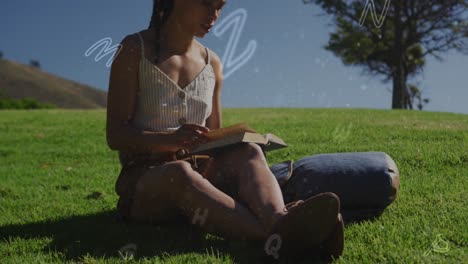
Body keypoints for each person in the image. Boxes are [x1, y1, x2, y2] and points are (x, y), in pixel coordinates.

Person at [106, 0, 344, 259]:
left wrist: (235, 142)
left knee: (250, 151)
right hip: (146, 184)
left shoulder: (212, 64)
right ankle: (280, 236)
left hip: (200, 179)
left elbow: (213, 140)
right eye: (207, 3)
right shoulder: (133, 49)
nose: (214, 15)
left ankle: (279, 220)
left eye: (220, 6)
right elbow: (116, 135)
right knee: (180, 172)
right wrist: (170, 139)